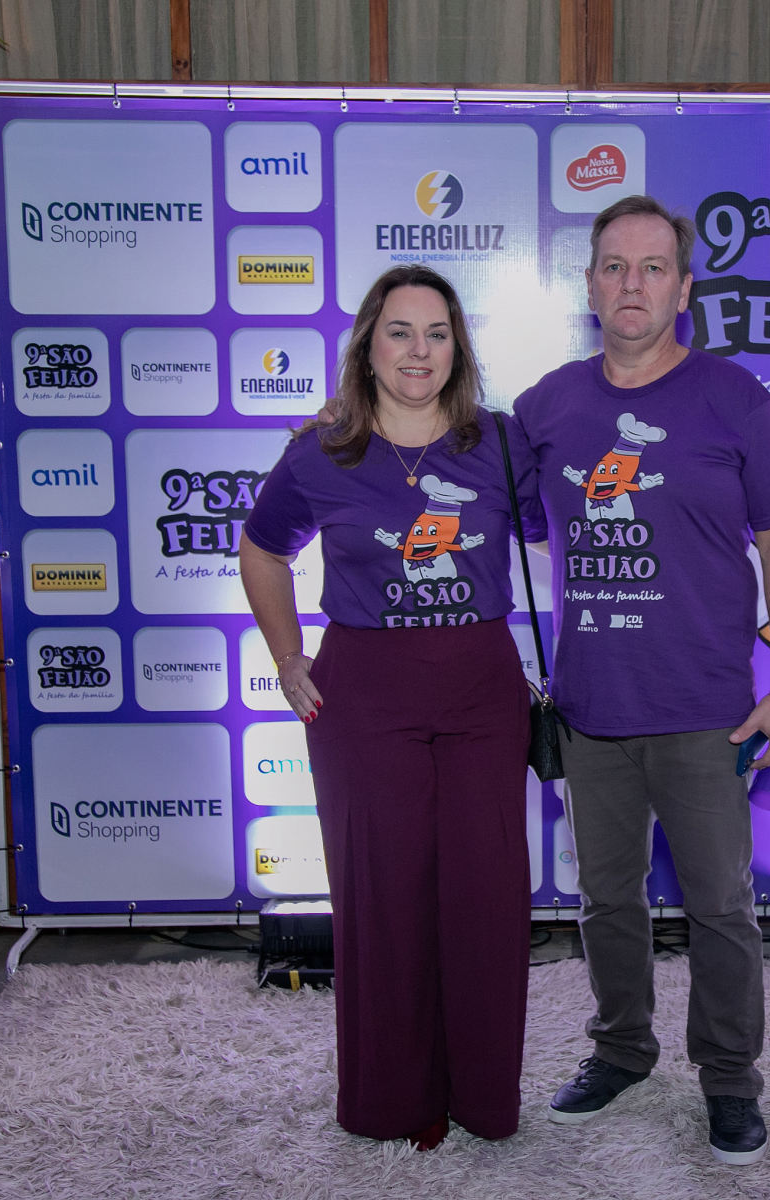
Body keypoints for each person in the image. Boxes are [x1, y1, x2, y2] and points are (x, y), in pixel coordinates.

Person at [514, 195, 770, 1165]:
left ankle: (728, 1079)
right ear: (589, 284)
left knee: (720, 907)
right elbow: (495, 514)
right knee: (605, 901)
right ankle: (621, 1049)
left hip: (706, 711)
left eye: (652, 268)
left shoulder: (733, 398)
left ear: (683, 290)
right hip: (590, 708)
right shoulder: (545, 407)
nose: (631, 284)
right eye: (613, 266)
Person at [239, 264, 544, 1151]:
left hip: (481, 690)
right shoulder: (322, 451)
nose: (419, 351)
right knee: (382, 898)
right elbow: (261, 551)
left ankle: (483, 1099)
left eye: (437, 333)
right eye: (400, 332)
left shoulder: (502, 443)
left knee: (486, 896)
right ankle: (388, 1100)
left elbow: (569, 527)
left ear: (459, 348)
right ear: (368, 347)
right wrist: (287, 656)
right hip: (365, 696)